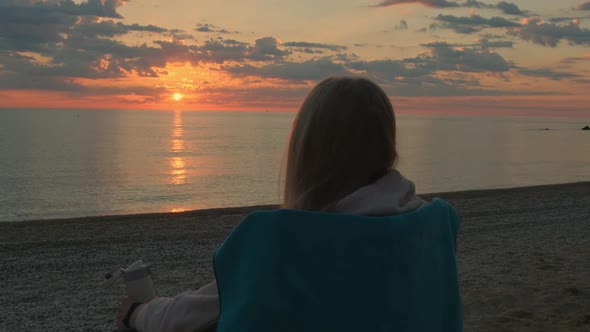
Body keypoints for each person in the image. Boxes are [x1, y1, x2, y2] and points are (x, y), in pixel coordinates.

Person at [115, 76, 461, 331]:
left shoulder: (286, 240)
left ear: (308, 152)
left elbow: (197, 311)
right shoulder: (430, 227)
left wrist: (138, 313)